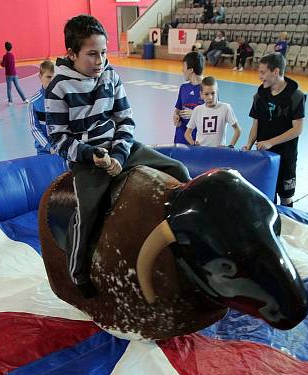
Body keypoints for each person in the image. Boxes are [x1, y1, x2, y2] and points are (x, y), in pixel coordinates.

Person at [44, 15, 191, 297]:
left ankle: (179, 239)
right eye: (91, 54)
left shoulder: (110, 75)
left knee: (178, 170)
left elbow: (125, 119)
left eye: (103, 52)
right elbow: (59, 139)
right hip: (88, 159)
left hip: (120, 149)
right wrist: (92, 155)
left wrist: (120, 156)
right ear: (72, 54)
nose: (100, 60)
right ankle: (77, 269)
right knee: (88, 210)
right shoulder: (59, 87)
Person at [243, 52, 305, 207]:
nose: (260, 76)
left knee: (286, 197)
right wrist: (249, 145)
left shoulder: (295, 96)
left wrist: (271, 142)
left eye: (263, 72)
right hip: (264, 156)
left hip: (286, 157)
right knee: (266, 195)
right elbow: (256, 123)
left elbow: (297, 129)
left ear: (276, 72)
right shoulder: (260, 95)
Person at [184, 76, 241, 148]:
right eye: (206, 94)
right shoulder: (197, 110)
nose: (210, 97)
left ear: (217, 92)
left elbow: (237, 130)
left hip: (218, 153)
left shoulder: (225, 108)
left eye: (213, 93)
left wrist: (230, 146)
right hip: (201, 152)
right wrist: (193, 144)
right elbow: (187, 134)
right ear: (201, 95)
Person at [173, 51, 205, 144]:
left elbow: (214, 116)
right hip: (181, 136)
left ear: (191, 70)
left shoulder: (208, 90)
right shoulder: (183, 88)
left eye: (184, 67)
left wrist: (195, 114)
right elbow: (177, 110)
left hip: (198, 138)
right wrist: (176, 116)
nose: (182, 70)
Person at [29, 60, 55, 153]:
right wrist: (48, 147)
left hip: (62, 148)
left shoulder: (63, 99)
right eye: (48, 77)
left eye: (54, 77)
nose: (51, 80)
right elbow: (34, 128)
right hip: (43, 150)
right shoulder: (34, 102)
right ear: (40, 77)